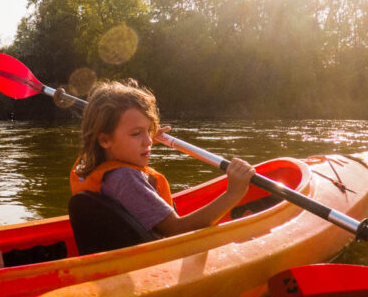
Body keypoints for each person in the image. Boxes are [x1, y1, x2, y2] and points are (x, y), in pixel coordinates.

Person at [70, 80, 255, 238]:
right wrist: (233, 193)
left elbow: (117, 153)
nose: (149, 140)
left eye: (148, 130)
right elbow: (177, 229)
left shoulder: (89, 166)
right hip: (156, 263)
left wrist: (138, 138)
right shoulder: (125, 179)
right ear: (104, 139)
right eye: (136, 133)